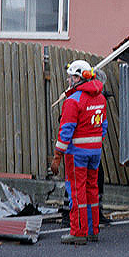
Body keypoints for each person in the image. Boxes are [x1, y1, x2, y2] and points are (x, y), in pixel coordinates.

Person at [50, 60, 108, 245]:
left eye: (72, 77)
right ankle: (93, 230)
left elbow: (65, 131)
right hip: (95, 153)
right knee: (92, 189)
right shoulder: (100, 98)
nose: (69, 80)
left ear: (80, 77)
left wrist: (57, 157)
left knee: (77, 191)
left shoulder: (73, 101)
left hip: (76, 155)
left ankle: (78, 232)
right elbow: (103, 126)